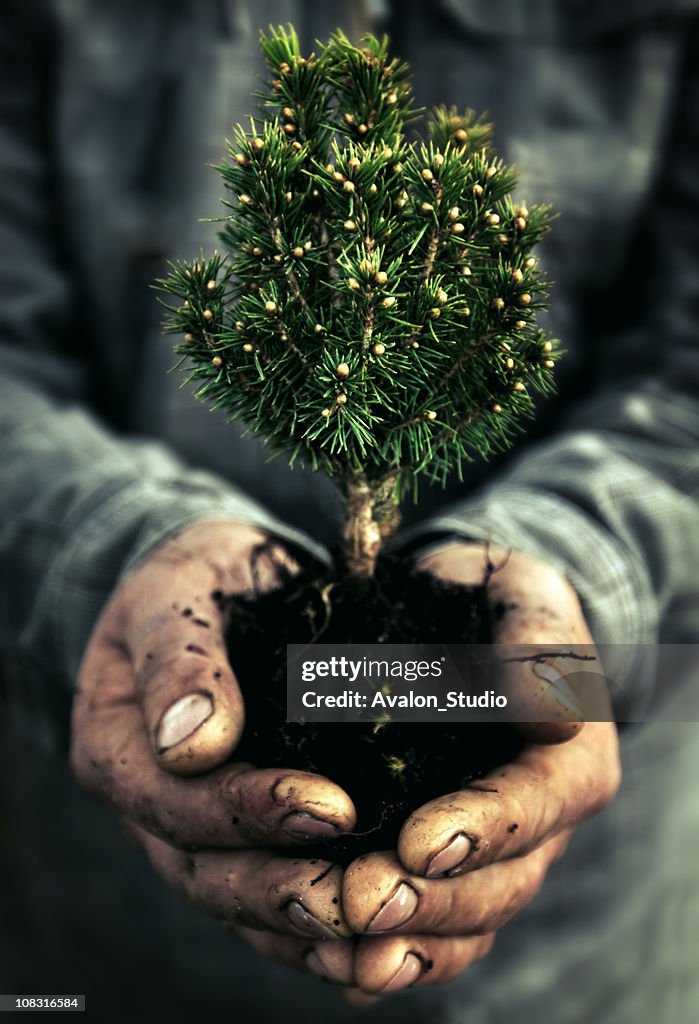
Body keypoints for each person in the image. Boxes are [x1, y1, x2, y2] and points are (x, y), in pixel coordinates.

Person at [1, 1, 698, 1021]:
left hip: (573, 960)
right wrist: (108, 550)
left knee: (543, 695)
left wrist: (572, 582)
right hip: (111, 932)